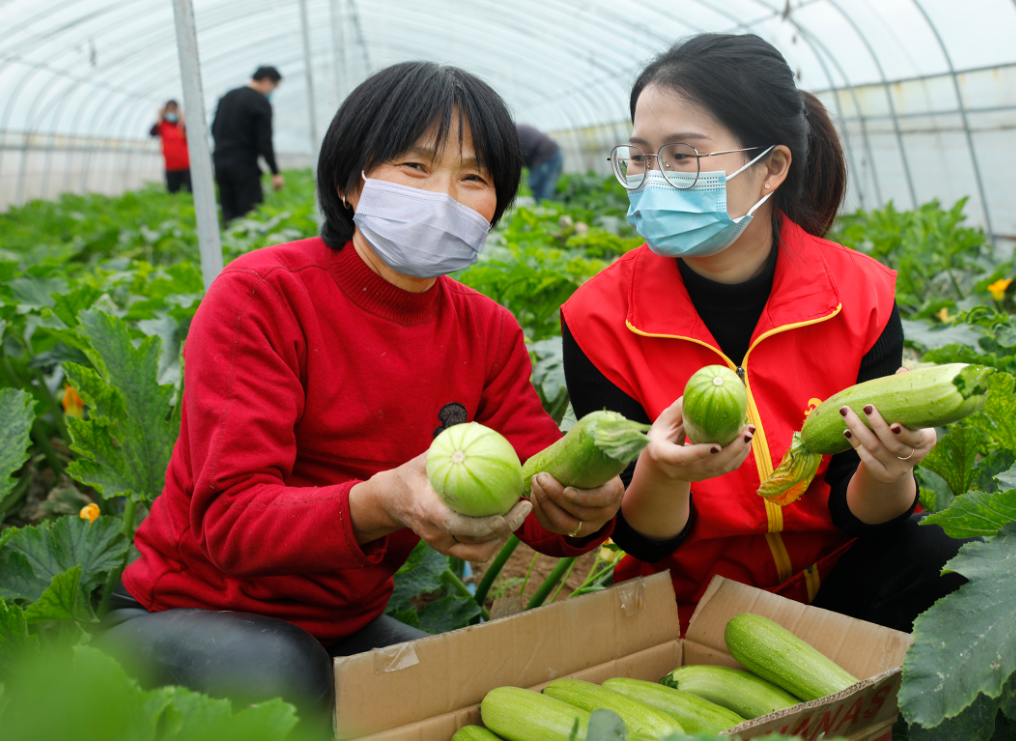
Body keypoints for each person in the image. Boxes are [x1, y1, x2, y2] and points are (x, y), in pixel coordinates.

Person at [97, 62, 624, 733]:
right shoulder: (264, 296)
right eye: (414, 165)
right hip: (181, 613)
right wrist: (380, 500)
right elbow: (231, 522)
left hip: (339, 621)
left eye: (473, 177)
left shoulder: (487, 330)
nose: (445, 196)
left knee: (474, 692)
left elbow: (541, 503)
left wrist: (583, 504)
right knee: (282, 674)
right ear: (351, 182)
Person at [561, 33, 974, 637]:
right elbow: (643, 538)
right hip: (688, 603)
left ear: (771, 169)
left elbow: (862, 514)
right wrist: (664, 472)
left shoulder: (860, 296)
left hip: (840, 582)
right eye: (642, 157)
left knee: (948, 554)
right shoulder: (596, 318)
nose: (654, 179)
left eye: (683, 156)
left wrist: (889, 472)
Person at [211, 65, 284, 225]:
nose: (272, 92)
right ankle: (249, 246)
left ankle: (231, 244)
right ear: (266, 81)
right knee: (249, 212)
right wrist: (275, 172)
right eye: (274, 87)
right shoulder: (260, 102)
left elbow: (214, 128)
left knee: (228, 209)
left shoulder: (227, 97)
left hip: (220, 161)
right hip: (244, 163)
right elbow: (265, 140)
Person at [149, 100, 191, 193]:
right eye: (169, 109)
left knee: (190, 191)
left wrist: (183, 119)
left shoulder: (182, 126)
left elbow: (192, 136)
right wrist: (159, 117)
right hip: (170, 165)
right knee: (173, 192)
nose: (171, 112)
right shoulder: (162, 125)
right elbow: (152, 133)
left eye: (173, 109)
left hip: (186, 165)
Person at [517, 123, 563, 202]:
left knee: (541, 189)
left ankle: (542, 210)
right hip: (548, 156)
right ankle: (540, 208)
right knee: (536, 186)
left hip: (548, 157)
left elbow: (514, 163)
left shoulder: (512, 135)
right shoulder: (514, 131)